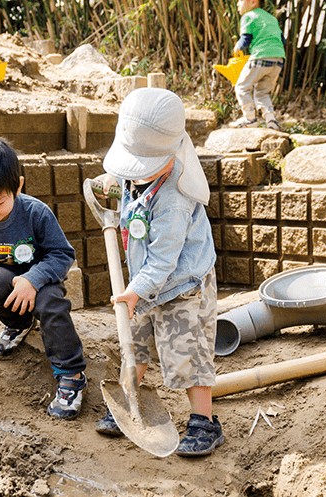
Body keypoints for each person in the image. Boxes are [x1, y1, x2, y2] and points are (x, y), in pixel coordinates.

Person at [92, 88, 223, 457]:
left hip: (182, 287)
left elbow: (165, 261)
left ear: (171, 154)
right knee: (134, 343)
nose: (136, 174)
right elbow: (127, 178)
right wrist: (114, 182)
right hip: (145, 283)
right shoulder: (142, 173)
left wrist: (135, 291)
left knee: (187, 354)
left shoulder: (175, 200)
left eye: (141, 167)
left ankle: (204, 422)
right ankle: (128, 401)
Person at [0, 133, 87, 420]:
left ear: (17, 186)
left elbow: (62, 254)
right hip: (6, 280)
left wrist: (33, 279)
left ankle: (72, 373)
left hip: (42, 279)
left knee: (50, 303)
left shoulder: (36, 213)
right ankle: (19, 324)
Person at [229, 0, 286, 130]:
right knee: (263, 91)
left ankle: (250, 119)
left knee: (241, 87)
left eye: (240, 0)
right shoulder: (271, 18)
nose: (237, 4)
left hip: (261, 57)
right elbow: (282, 39)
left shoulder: (248, 16)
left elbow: (245, 41)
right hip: (278, 59)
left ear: (253, 2)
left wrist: (236, 48)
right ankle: (271, 120)